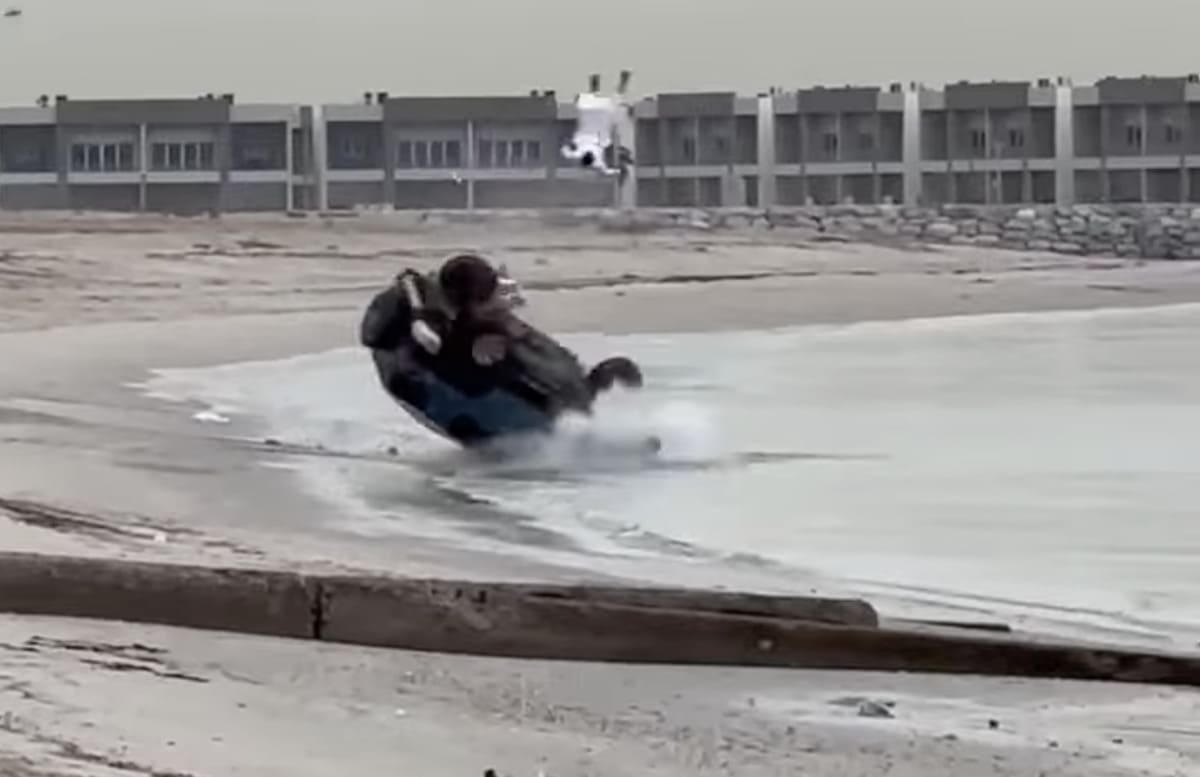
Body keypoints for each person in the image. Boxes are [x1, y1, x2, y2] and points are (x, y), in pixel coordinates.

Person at [561, 70, 635, 182]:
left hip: (600, 123)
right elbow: (566, 149)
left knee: (613, 101)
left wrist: (618, 171)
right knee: (602, 103)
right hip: (594, 120)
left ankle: (621, 80)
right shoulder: (580, 155)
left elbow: (606, 171)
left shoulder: (589, 159)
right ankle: (602, 83)